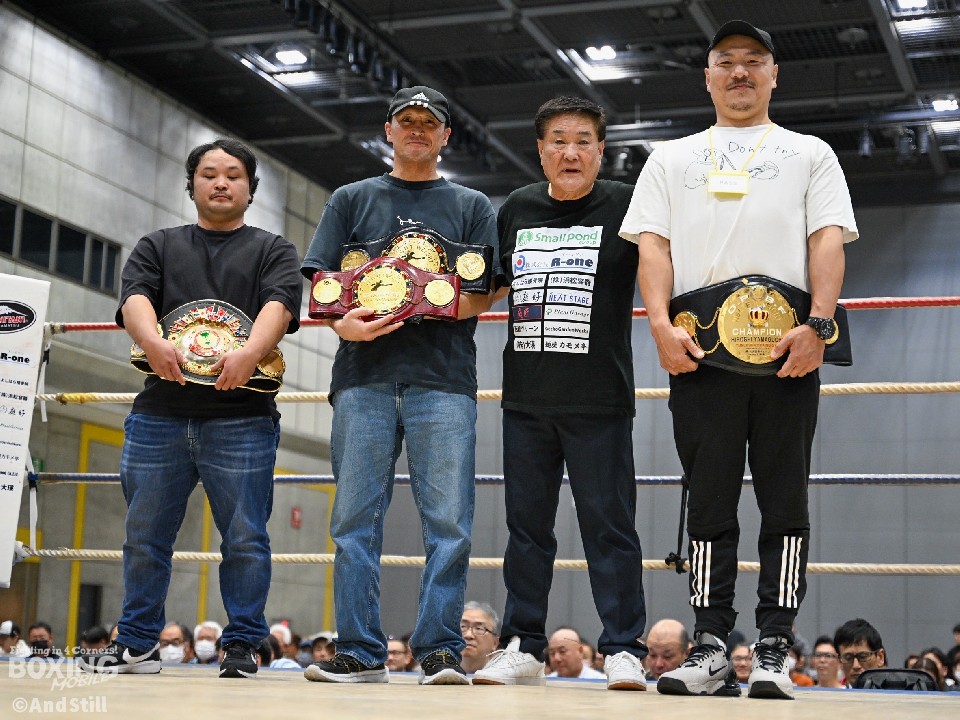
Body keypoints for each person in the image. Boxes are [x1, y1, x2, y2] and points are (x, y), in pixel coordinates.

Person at [620, 19, 858, 701]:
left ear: (774, 74)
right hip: (701, 354)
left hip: (788, 353)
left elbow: (827, 240)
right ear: (708, 77)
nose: (740, 72)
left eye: (754, 60)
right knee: (707, 504)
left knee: (786, 502)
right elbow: (653, 246)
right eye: (726, 61)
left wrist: (819, 325)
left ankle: (776, 645)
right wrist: (659, 326)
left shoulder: (810, 153)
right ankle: (711, 644)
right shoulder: (670, 158)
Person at [78, 138, 303, 679]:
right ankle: (137, 643)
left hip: (244, 417)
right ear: (192, 184)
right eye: (209, 174)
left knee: (246, 538)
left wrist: (250, 352)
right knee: (144, 537)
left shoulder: (273, 249)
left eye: (233, 175)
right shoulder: (157, 245)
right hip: (159, 414)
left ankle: (243, 645)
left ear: (250, 188)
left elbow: (280, 304)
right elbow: (135, 297)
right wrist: (151, 341)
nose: (221, 182)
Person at [300, 85, 501, 686]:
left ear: (445, 136)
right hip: (363, 377)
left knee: (450, 523)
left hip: (443, 380)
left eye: (428, 123)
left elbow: (491, 287)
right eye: (406, 120)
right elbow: (322, 283)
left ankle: (439, 650)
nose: (417, 129)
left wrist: (436, 305)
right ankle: (360, 651)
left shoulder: (471, 204)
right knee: (353, 521)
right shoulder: (351, 198)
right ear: (388, 130)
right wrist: (343, 326)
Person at [472, 96, 647, 692]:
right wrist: (416, 302)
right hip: (526, 400)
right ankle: (523, 644)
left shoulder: (627, 204)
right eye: (558, 141)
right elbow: (488, 286)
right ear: (541, 150)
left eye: (582, 141)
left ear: (601, 150)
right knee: (526, 531)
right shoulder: (517, 207)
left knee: (610, 528)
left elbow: (663, 275)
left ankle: (623, 647)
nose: (570, 153)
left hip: (600, 400)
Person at [833, 618, 886, 688]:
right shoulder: (831, 694)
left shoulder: (896, 693)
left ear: (880, 657)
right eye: (848, 658)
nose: (856, 666)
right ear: (840, 662)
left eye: (863, 657)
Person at [460, 601, 501, 674]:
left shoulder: (504, 676)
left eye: (479, 629)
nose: (468, 635)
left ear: (495, 643)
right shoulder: (440, 672)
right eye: (463, 626)